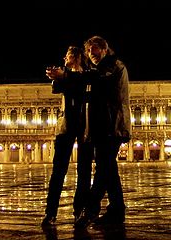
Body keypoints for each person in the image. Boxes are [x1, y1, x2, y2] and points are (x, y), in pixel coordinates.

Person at [46, 35, 131, 227]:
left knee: (103, 169)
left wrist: (67, 75)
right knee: (109, 170)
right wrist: (63, 75)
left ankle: (90, 210)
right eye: (89, 50)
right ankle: (115, 211)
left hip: (112, 125)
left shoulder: (112, 66)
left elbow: (97, 80)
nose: (91, 53)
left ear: (104, 48)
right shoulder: (100, 69)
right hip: (103, 126)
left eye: (95, 49)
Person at [41, 46, 93, 227]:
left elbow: (82, 80)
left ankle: (79, 211)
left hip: (86, 125)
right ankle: (50, 213)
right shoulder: (65, 75)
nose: (64, 58)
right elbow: (56, 88)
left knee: (84, 172)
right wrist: (59, 76)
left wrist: (65, 75)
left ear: (77, 57)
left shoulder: (89, 74)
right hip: (66, 126)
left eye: (68, 55)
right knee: (58, 172)